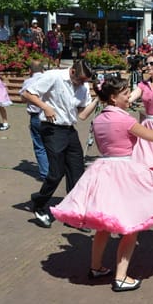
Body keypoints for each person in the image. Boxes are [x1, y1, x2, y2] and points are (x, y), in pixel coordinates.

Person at [50, 75, 153, 292]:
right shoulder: (124, 119)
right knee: (131, 225)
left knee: (103, 226)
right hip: (124, 170)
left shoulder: (99, 119)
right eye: (124, 95)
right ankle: (121, 277)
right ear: (113, 98)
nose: (128, 98)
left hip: (103, 170)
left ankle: (96, 267)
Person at [22, 60, 98, 228]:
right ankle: (39, 203)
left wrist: (98, 98)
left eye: (86, 81)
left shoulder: (83, 87)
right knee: (56, 173)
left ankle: (72, 213)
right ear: (72, 72)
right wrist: (45, 107)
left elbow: (83, 115)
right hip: (52, 129)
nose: (83, 83)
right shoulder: (54, 76)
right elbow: (27, 93)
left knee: (77, 172)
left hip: (70, 130)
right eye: (81, 79)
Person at [20, 60, 48, 180]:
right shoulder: (48, 79)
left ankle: (45, 173)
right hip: (49, 115)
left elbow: (22, 98)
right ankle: (56, 170)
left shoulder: (28, 82)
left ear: (30, 71)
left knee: (39, 145)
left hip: (36, 115)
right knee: (52, 144)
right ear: (42, 70)